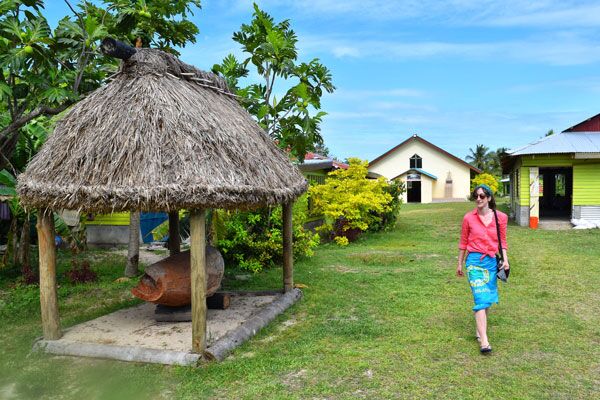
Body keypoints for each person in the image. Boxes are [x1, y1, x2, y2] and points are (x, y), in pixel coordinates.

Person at [457, 184, 509, 354]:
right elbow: (463, 242)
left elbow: (503, 242)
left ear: (489, 198)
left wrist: (505, 261)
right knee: (480, 297)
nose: (478, 199)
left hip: (491, 262)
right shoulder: (468, 218)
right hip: (473, 262)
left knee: (486, 298)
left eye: (482, 196)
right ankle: (484, 341)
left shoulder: (501, 217)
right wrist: (459, 263)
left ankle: (480, 330)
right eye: (476, 196)